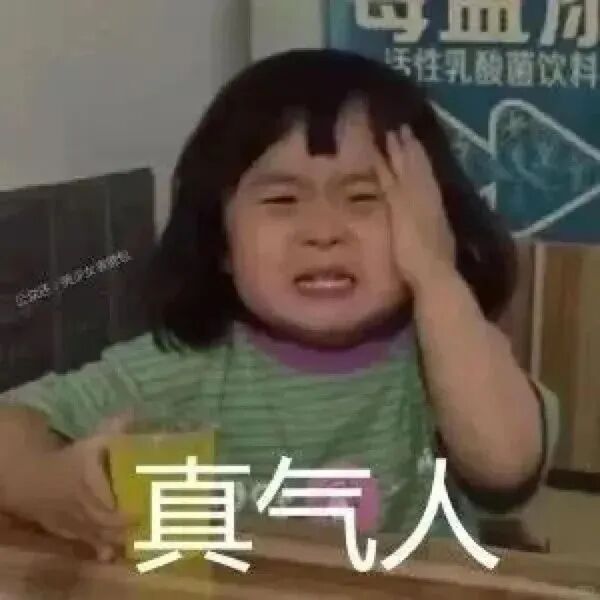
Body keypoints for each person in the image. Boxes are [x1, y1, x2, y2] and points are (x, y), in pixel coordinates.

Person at [0, 49, 558, 562]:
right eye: (283, 200)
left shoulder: (448, 355)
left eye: (364, 198)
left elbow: (506, 465)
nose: (323, 232)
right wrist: (48, 484)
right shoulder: (179, 368)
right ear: (220, 241)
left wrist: (436, 271)